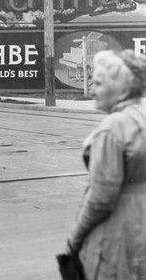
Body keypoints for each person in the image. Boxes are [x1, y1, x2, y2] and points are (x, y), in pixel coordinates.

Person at [66, 49, 146, 279]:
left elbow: (101, 198)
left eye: (98, 84)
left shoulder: (112, 129)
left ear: (122, 88)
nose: (92, 91)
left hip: (117, 236)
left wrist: (75, 238)